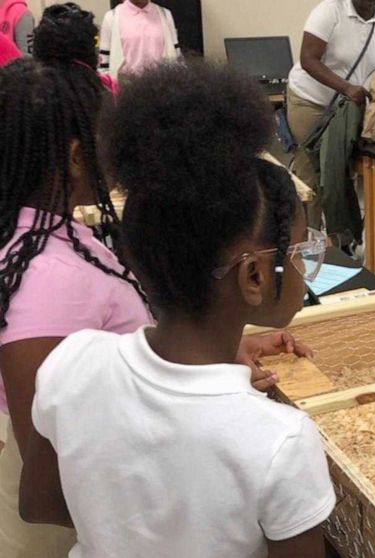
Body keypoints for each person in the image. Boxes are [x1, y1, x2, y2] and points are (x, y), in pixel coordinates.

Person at [0, 16, 306, 556]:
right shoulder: (43, 283)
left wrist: (217, 359)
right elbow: (53, 486)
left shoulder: (69, 242)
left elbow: (110, 363)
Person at [286, 0, 375, 234]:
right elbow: (308, 59)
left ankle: (338, 244)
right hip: (310, 101)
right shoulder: (330, 11)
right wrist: (347, 87)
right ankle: (307, 246)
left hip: (346, 109)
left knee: (340, 173)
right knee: (312, 176)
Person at [98, 0, 180, 79]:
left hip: (162, 86)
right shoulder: (111, 17)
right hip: (125, 88)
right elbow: (104, 65)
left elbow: (176, 56)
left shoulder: (165, 15)